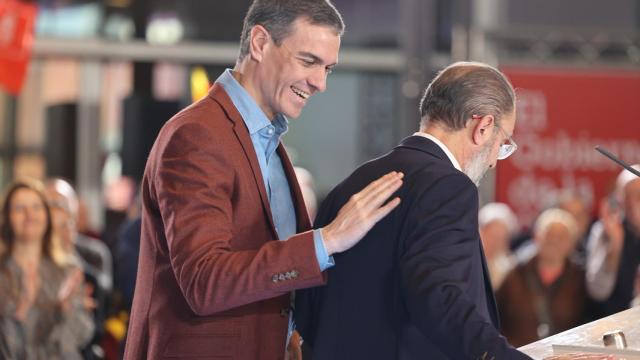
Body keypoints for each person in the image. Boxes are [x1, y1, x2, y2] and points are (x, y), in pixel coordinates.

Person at [124, 1, 403, 359]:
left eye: (328, 68)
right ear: (259, 43)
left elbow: (266, 272)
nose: (320, 83)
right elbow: (205, 283)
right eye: (308, 61)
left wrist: (284, 333)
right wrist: (328, 240)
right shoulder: (197, 134)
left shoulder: (266, 141)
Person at [295, 61, 531, 359]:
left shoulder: (350, 184)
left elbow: (311, 302)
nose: (495, 160)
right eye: (502, 143)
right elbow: (440, 297)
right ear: (482, 127)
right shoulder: (449, 186)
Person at [0, 180, 94, 360]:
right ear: (7, 218)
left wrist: (64, 311)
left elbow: (82, 337)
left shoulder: (68, 269)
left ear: (46, 215)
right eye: (20, 208)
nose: (29, 215)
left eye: (36, 207)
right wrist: (22, 309)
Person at [497, 208, 588, 347]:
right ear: (537, 237)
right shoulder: (514, 273)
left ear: (572, 243)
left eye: (562, 236)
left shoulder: (580, 278)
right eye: (549, 234)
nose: (554, 241)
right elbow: (495, 316)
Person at [44, 178, 113, 359]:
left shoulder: (91, 262)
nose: (55, 212)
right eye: (49, 205)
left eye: (61, 205)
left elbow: (97, 325)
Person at [586, 164, 640, 315]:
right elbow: (598, 291)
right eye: (625, 196)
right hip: (615, 322)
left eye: (638, 195)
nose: (631, 203)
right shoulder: (604, 230)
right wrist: (615, 244)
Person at [479, 202, 519, 290]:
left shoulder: (509, 270)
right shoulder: (467, 260)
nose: (494, 243)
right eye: (491, 235)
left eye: (500, 238)